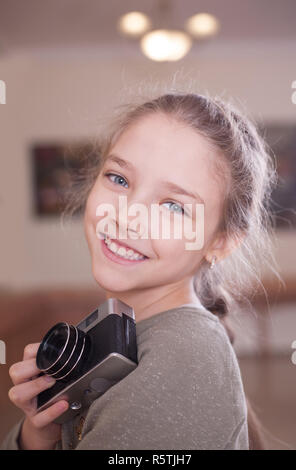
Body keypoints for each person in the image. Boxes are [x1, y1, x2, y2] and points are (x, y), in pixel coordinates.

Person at [1, 91, 280, 450]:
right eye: (119, 179)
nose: (127, 217)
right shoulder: (125, 327)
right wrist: (39, 433)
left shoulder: (182, 356)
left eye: (173, 206)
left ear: (222, 242)